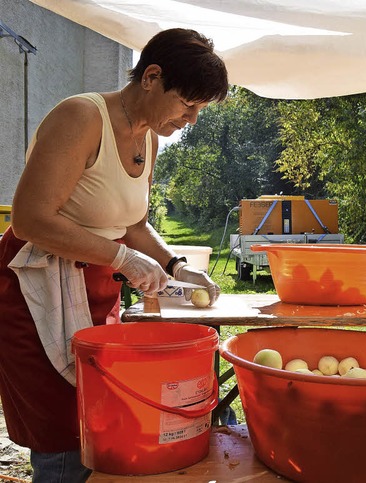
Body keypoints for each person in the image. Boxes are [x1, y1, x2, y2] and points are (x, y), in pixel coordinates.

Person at [0, 28, 228, 482]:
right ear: (152, 76)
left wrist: (175, 266)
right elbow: (29, 219)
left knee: (100, 414)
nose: (192, 119)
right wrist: (122, 259)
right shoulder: (82, 117)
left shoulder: (150, 140)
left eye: (201, 109)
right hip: (36, 290)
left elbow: (133, 225)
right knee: (63, 430)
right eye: (188, 104)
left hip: (96, 289)